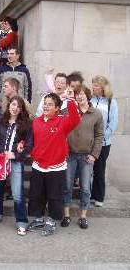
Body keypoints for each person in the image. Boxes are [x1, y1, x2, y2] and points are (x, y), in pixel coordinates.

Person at [28, 92, 80, 236]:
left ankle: (51, 222)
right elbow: (31, 141)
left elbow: (75, 120)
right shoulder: (36, 121)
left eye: (50, 104)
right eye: (45, 103)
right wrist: (26, 148)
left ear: (57, 108)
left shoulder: (62, 121)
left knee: (54, 196)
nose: (46, 106)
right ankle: (38, 220)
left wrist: (70, 100)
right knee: (37, 195)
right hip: (38, 166)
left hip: (56, 168)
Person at [0, 96, 33, 236]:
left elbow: (29, 144)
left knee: (17, 193)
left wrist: (17, 155)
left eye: (18, 106)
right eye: (13, 104)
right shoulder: (1, 119)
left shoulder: (26, 124)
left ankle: (22, 222)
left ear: (21, 109)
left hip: (15, 161)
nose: (15, 108)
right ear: (9, 105)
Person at [62, 84, 104, 229]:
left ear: (87, 95)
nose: (79, 96)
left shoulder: (96, 113)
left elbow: (99, 136)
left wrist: (94, 155)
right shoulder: (68, 110)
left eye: (82, 94)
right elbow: (62, 130)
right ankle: (66, 215)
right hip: (70, 155)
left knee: (85, 187)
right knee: (67, 186)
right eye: (76, 94)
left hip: (87, 157)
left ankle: (83, 216)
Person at [90, 75, 118, 207]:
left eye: (95, 85)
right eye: (93, 84)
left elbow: (112, 123)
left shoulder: (111, 102)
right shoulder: (90, 99)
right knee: (89, 170)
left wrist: (101, 138)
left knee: (99, 169)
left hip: (103, 142)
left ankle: (99, 197)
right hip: (90, 141)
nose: (93, 87)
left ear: (102, 87)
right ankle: (91, 194)